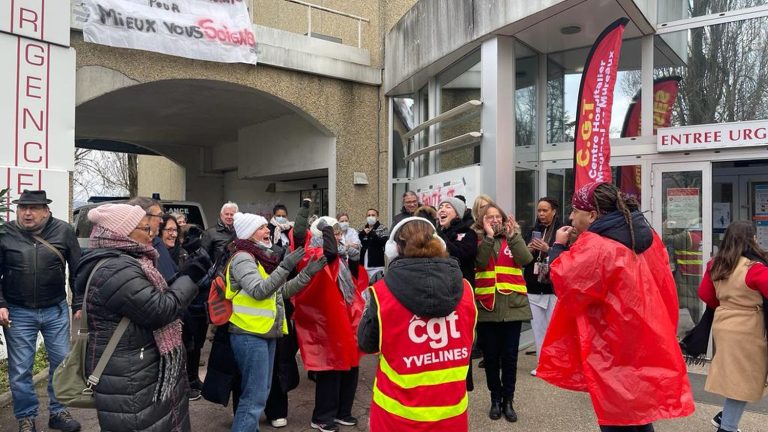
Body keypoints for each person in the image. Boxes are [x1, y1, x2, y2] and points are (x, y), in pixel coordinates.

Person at [538, 182, 694, 431]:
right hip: (644, 336)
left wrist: (557, 246)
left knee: (616, 415)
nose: (570, 216)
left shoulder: (599, 246)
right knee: (639, 414)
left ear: (592, 215)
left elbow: (565, 280)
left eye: (575, 210)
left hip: (612, 344)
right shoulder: (645, 236)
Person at [76, 203, 209, 432]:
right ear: (122, 232)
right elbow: (159, 310)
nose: (152, 234)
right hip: (130, 380)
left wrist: (180, 276)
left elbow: (150, 297)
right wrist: (190, 277)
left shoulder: (131, 261)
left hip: (138, 371)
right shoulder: (117, 269)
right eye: (145, 229)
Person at [358, 217, 476, 431]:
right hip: (452, 416)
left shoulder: (381, 293)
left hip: (396, 417)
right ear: (439, 243)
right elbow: (469, 340)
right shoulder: (466, 290)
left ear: (393, 250)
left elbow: (367, 343)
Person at [227, 212, 325, 432]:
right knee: (254, 398)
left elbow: (282, 291)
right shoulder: (243, 257)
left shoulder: (261, 257)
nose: (267, 231)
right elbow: (259, 291)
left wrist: (307, 274)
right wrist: (285, 267)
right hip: (249, 334)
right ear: (249, 233)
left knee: (259, 394)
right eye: (262, 228)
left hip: (264, 333)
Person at [0, 190, 82, 432]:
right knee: (20, 369)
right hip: (18, 311)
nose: (27, 213)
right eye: (23, 208)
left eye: (34, 208)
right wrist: (1, 303)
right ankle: (26, 418)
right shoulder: (6, 233)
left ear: (46, 211)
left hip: (55, 310)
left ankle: (59, 413)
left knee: (61, 364)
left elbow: (77, 269)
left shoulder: (64, 230)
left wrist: (78, 303)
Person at [293, 217, 366, 432]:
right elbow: (329, 255)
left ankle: (344, 411)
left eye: (338, 233)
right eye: (332, 233)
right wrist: (325, 229)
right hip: (326, 322)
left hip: (346, 318)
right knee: (331, 367)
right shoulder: (311, 254)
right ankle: (323, 416)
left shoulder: (341, 256)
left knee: (351, 365)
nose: (337, 237)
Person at [698, 220, 768, 432]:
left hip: (724, 324)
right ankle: (727, 427)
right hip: (749, 328)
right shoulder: (755, 269)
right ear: (752, 239)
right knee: (745, 380)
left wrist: (727, 306)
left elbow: (705, 295)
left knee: (739, 378)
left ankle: (724, 419)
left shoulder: (715, 264)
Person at [472, 203, 533, 422]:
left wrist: (514, 235)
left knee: (509, 358)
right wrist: (488, 237)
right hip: (487, 308)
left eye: (498, 216)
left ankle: (508, 400)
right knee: (490, 358)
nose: (495, 220)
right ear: (482, 221)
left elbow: (526, 260)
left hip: (513, 308)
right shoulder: (478, 240)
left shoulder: (513, 238)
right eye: (490, 217)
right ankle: (495, 399)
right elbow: (479, 262)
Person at [522, 197, 562, 376]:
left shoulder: (563, 231)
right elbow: (521, 258)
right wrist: (528, 250)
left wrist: (549, 249)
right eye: (539, 210)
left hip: (553, 288)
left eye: (545, 210)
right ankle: (542, 364)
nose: (541, 214)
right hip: (533, 285)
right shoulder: (532, 230)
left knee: (554, 328)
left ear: (554, 211)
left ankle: (557, 364)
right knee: (538, 328)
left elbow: (568, 256)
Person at [128, 197, 177, 281]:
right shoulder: (129, 252)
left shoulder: (159, 243)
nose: (162, 221)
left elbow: (173, 275)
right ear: (143, 217)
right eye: (159, 216)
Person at [359, 209, 389, 279]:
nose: (370, 217)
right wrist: (362, 234)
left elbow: (384, 242)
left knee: (376, 285)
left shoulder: (382, 228)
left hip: (376, 264)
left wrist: (373, 234)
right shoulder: (362, 228)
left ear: (377, 217)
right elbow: (357, 242)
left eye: (373, 215)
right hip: (363, 263)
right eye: (369, 215)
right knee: (365, 287)